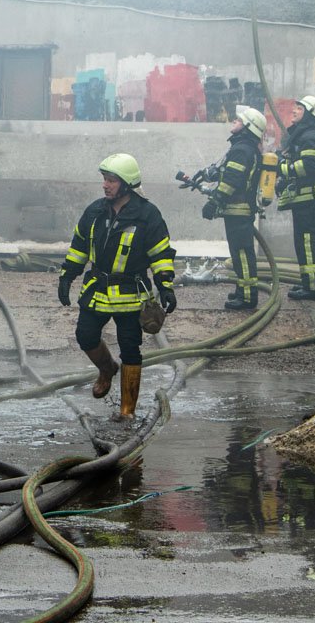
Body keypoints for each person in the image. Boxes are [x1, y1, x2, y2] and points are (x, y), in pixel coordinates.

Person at [58, 154, 177, 417]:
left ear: (126, 184)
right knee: (85, 336)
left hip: (130, 294)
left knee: (131, 349)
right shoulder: (95, 211)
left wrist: (165, 285)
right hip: (97, 290)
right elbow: (79, 247)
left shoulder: (148, 214)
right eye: (104, 179)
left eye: (111, 180)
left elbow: (160, 253)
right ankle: (106, 369)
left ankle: (127, 410)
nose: (105, 185)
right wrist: (67, 276)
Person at [202, 107, 264, 311]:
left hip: (238, 209)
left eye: (239, 120)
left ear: (247, 127)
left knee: (243, 254)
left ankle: (247, 297)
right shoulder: (244, 147)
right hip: (238, 210)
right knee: (239, 253)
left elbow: (231, 181)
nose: (234, 121)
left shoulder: (242, 149)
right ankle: (242, 291)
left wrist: (215, 201)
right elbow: (225, 173)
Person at [278, 95, 315, 300]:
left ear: (309, 114)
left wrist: (281, 168)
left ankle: (313, 288)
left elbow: (308, 166)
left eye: (300, 108)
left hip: (309, 200)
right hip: (307, 200)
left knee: (308, 243)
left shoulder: (310, 137)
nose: (294, 110)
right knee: (312, 242)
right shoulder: (306, 135)